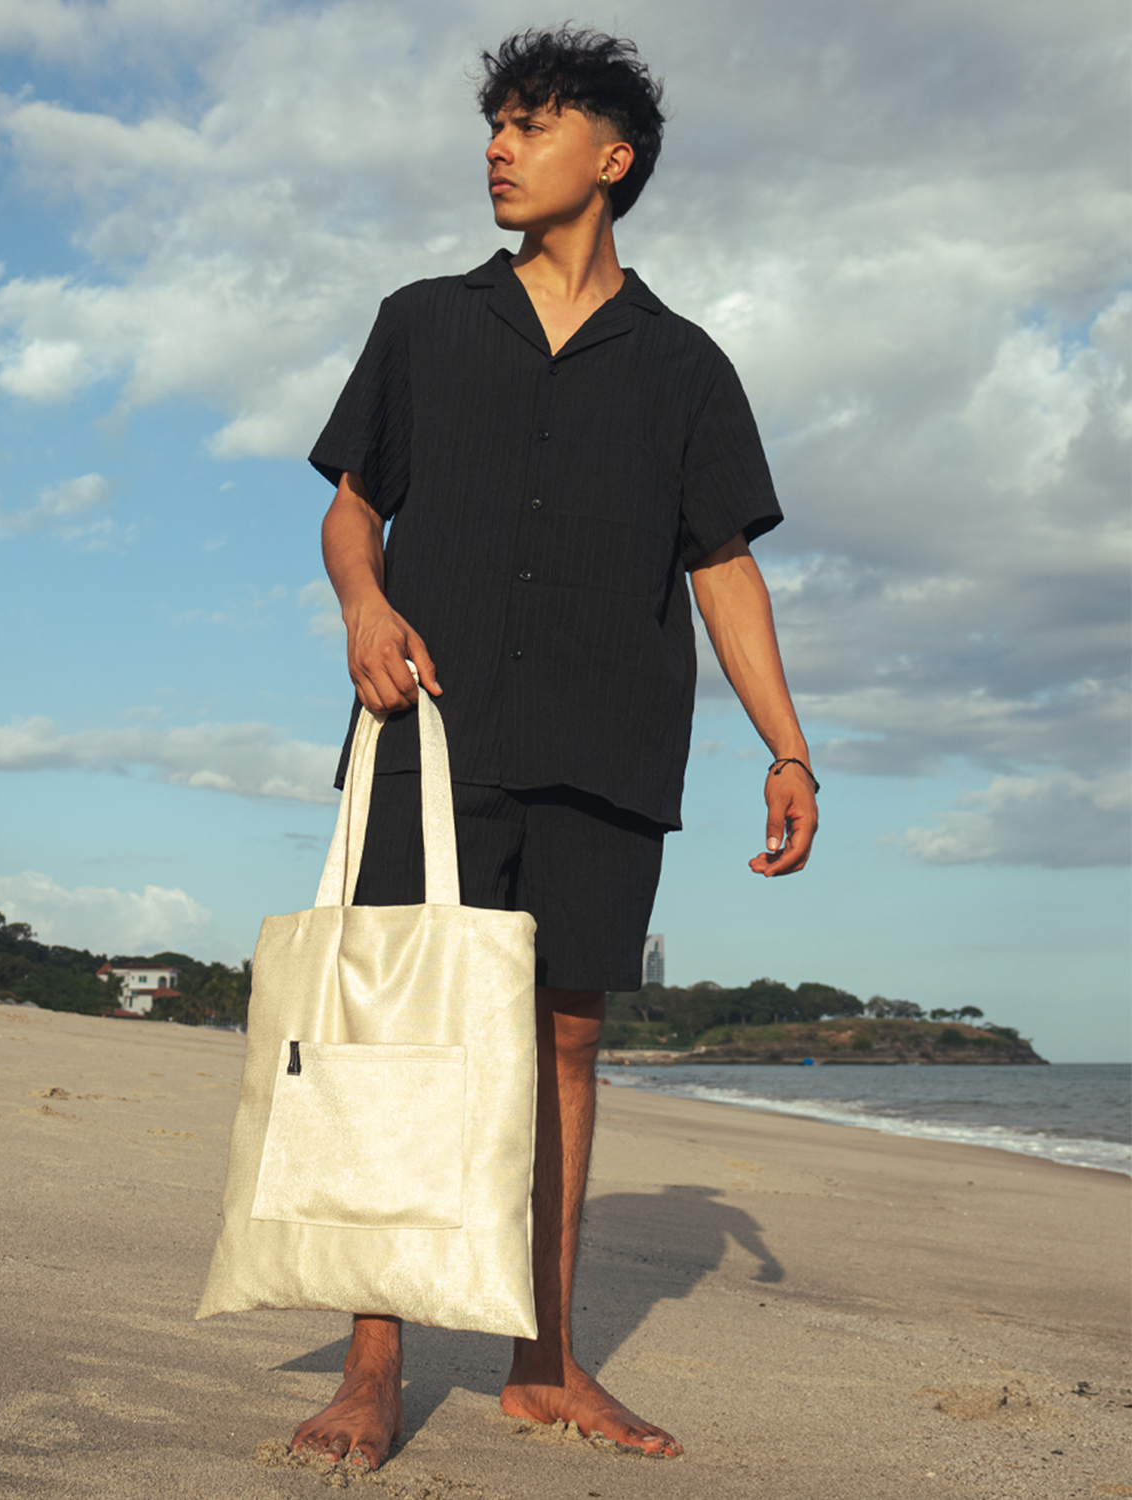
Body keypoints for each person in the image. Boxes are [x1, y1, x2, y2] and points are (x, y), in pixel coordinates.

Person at [290, 27, 818, 1471]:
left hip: (609, 737)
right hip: (430, 722)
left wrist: (788, 749)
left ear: (613, 156)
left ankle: (545, 1363)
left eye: (531, 124)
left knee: (567, 1041)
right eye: (496, 126)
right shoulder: (423, 320)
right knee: (404, 1033)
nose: (498, 148)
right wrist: (364, 606)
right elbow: (353, 503)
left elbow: (724, 568)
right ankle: (374, 1365)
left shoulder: (688, 366)